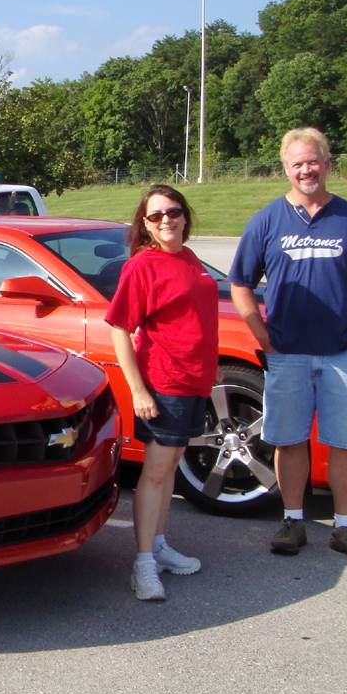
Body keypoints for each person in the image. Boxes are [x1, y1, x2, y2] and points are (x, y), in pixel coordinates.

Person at [228, 127, 347, 563]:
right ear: (285, 168)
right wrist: (262, 335)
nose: (306, 169)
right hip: (287, 354)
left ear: (327, 162)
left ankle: (344, 527)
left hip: (342, 353)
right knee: (289, 440)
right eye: (297, 163)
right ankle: (293, 520)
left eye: (313, 161)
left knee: (345, 442)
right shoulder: (266, 220)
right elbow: (240, 283)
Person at [105, 184, 219, 601]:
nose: (166, 220)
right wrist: (138, 390)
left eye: (173, 212)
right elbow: (119, 329)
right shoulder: (142, 267)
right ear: (145, 225)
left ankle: (158, 545)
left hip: (194, 381)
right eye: (155, 216)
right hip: (163, 382)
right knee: (154, 474)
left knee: (170, 470)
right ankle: (143, 565)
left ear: (185, 216)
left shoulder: (189, 259)